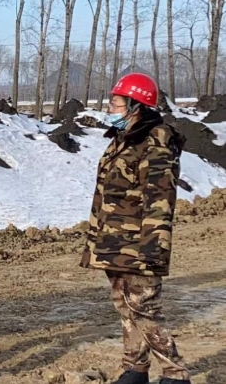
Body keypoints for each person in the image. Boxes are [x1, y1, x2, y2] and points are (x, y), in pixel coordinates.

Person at [80, 72, 190, 384]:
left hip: (140, 244)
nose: (110, 109)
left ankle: (176, 373)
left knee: (144, 308)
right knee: (125, 306)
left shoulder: (155, 141)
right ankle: (135, 369)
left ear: (135, 106)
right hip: (115, 241)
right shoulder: (124, 138)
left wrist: (153, 250)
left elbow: (159, 199)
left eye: (115, 104)